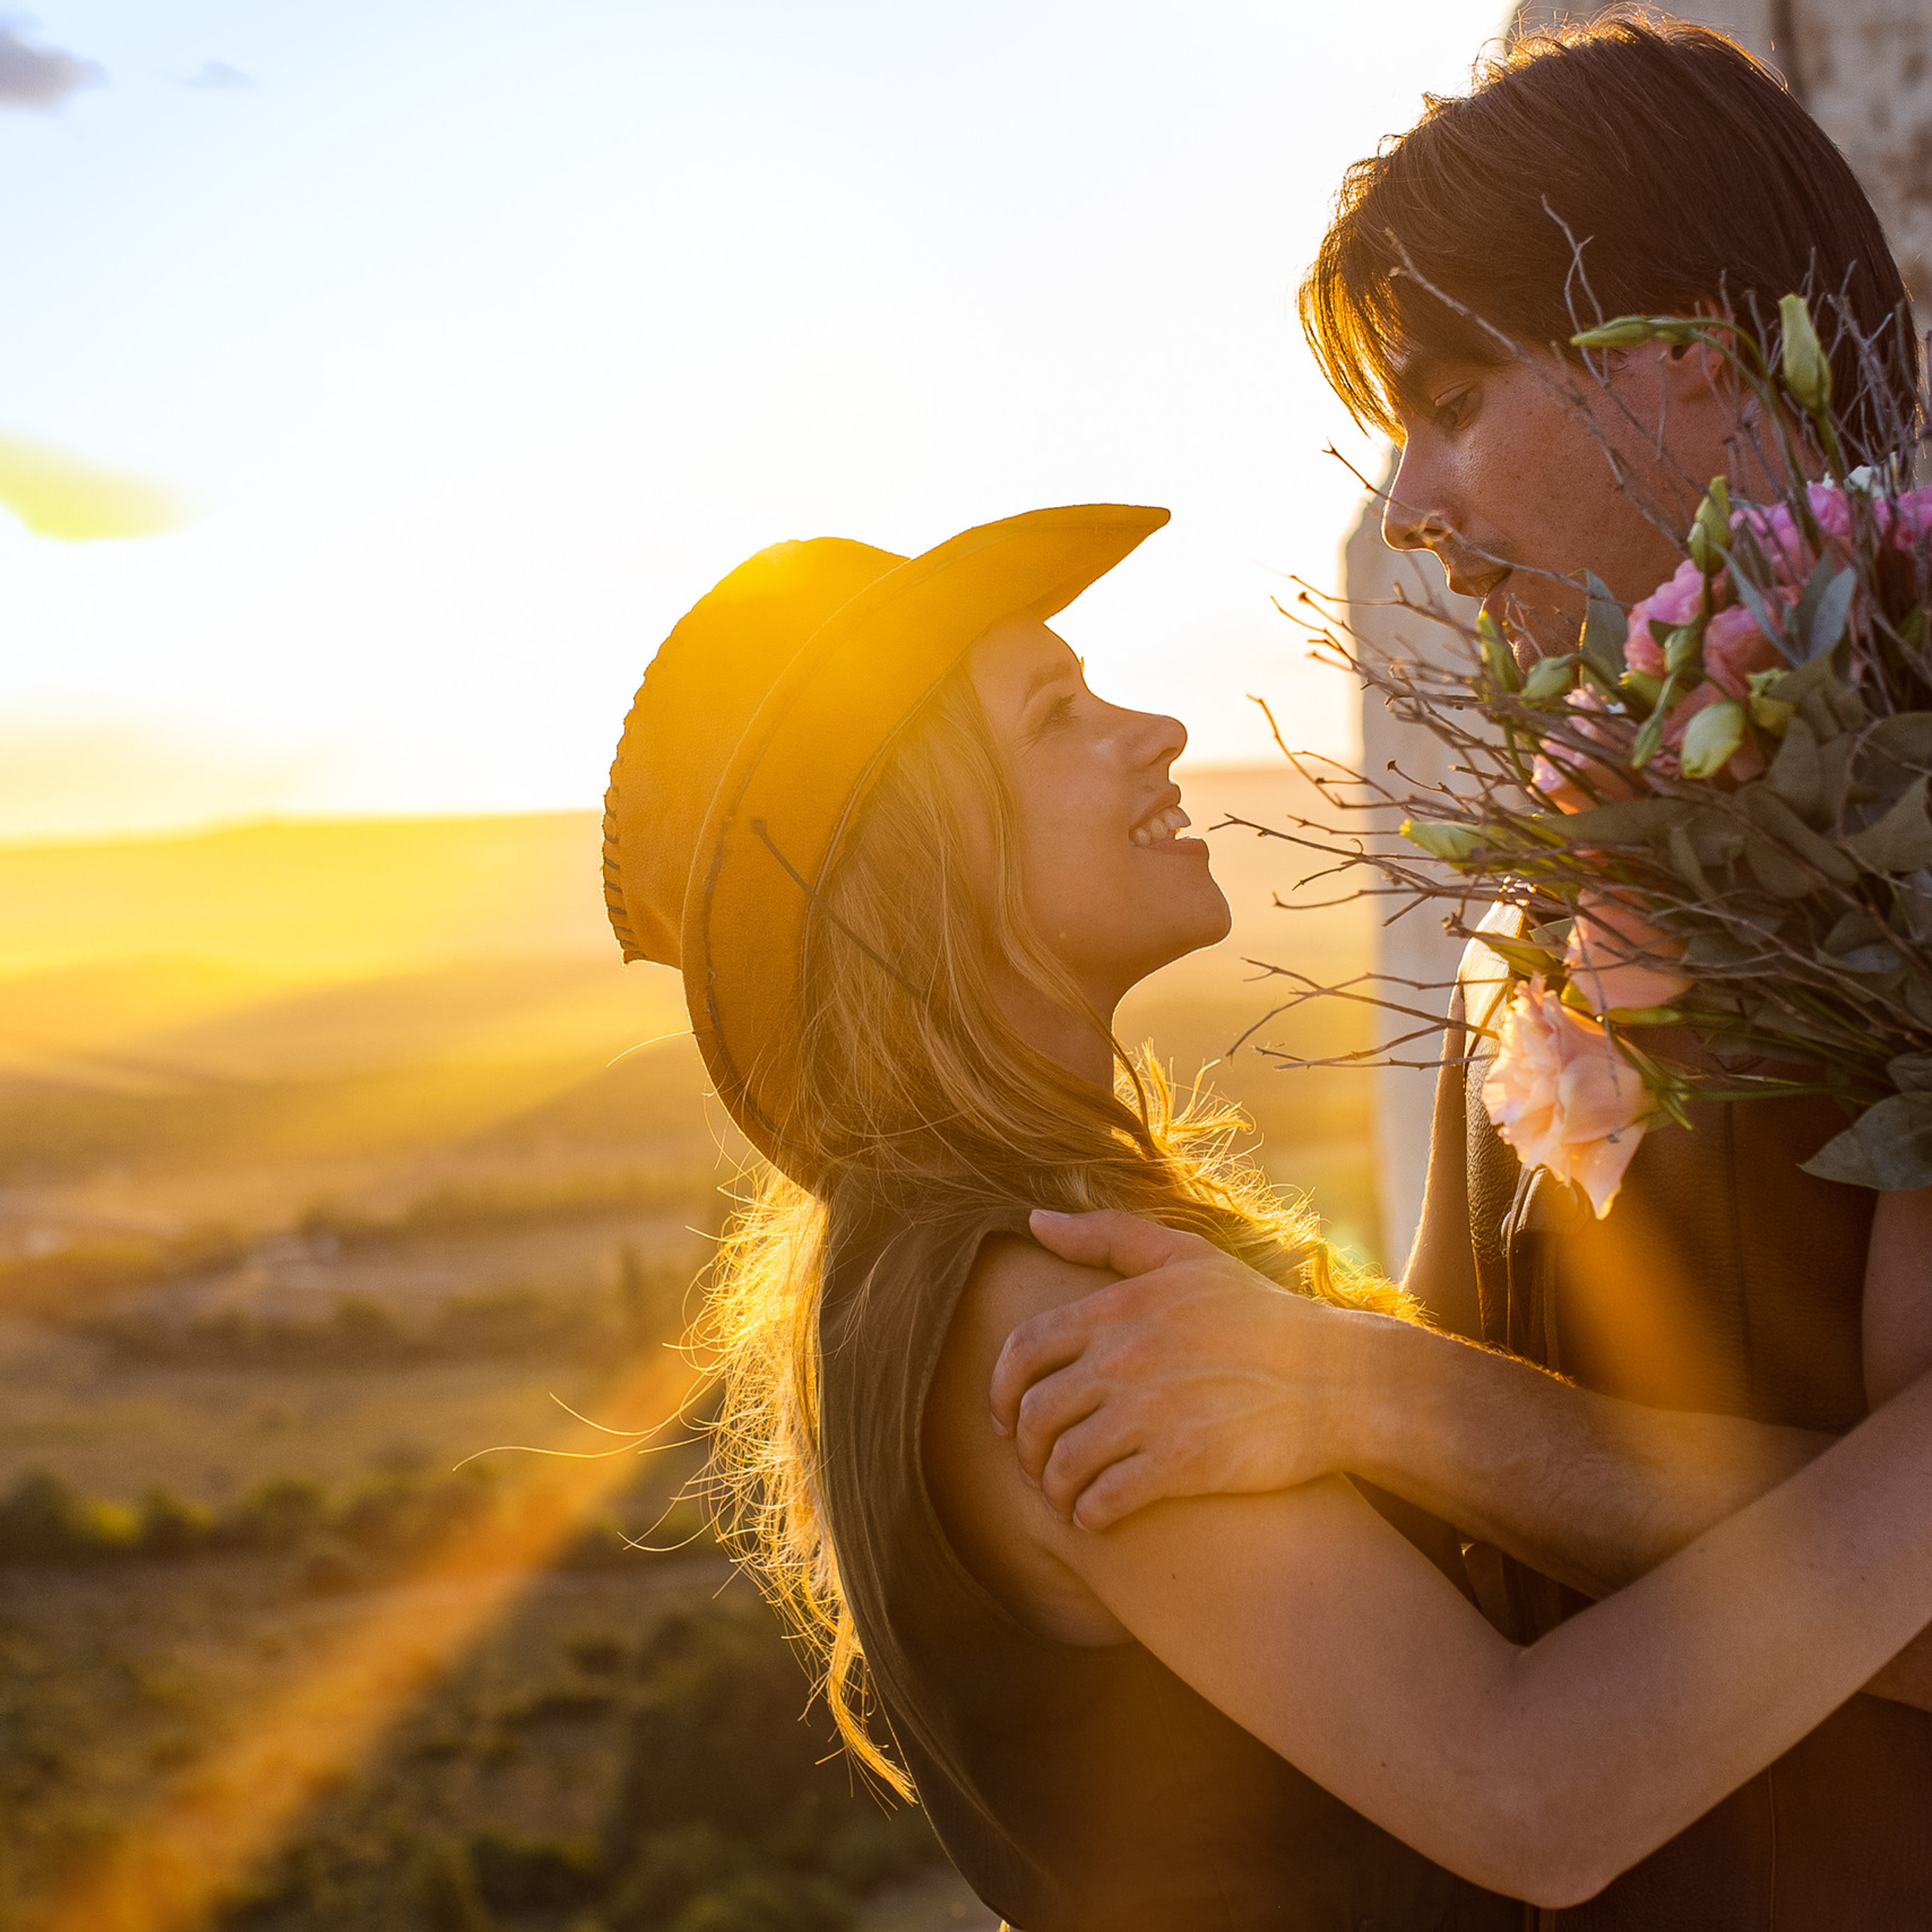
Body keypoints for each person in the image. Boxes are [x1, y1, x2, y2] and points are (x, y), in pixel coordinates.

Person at [601, 502, 1932, 1932]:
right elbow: (1533, 1797)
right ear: (918, 860)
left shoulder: (971, 1262)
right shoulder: (1053, 1315)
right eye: (1055, 715)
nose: (1156, 731)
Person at [990, 17, 1932, 1927]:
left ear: (1691, 351)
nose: (1409, 505)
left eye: (1447, 395)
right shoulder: (1556, 878)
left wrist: (1382, 1401)